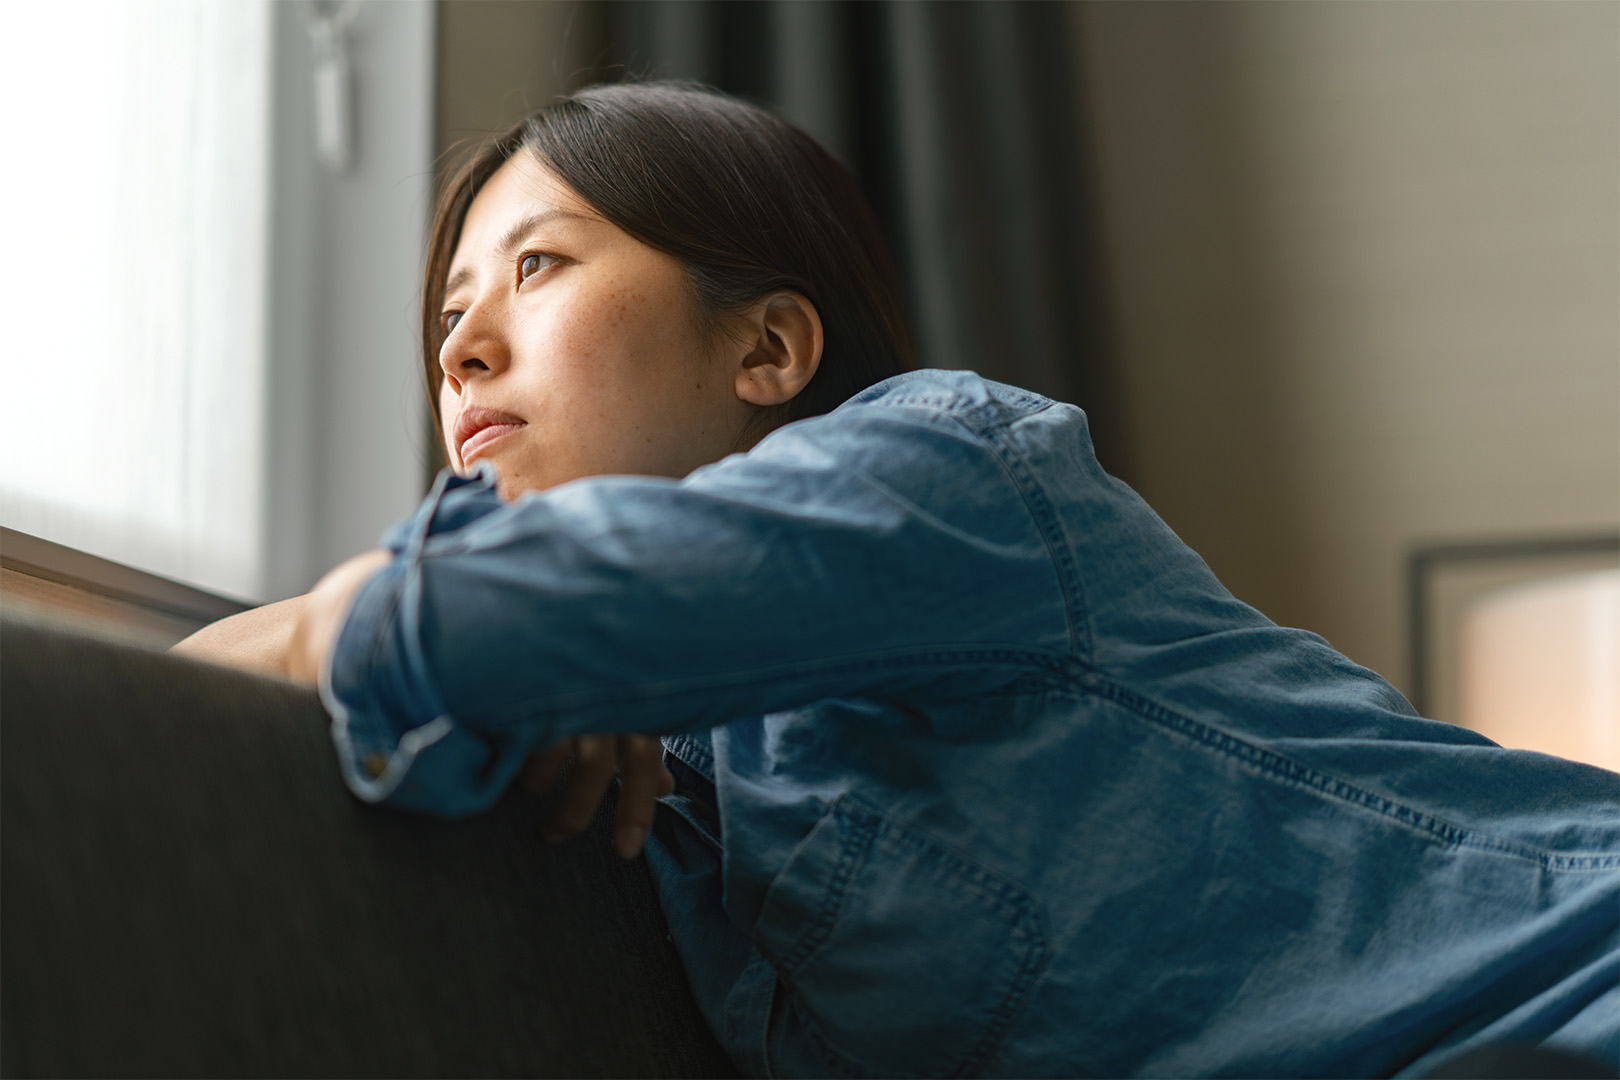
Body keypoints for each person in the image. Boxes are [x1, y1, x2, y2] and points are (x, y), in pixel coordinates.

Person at [172, 82, 1617, 1078]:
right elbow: (171, 710)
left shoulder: (949, 467)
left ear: (770, 352)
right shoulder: (665, 795)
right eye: (449, 314)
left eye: (536, 268)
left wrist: (462, 627)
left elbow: (405, 630)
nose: (463, 350)